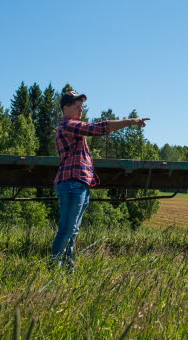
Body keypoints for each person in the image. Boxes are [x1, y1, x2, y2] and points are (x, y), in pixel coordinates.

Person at [50, 91, 149, 271]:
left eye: (82, 106)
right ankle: (52, 269)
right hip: (72, 183)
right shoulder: (69, 125)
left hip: (77, 183)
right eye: (76, 106)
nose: (81, 109)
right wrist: (129, 121)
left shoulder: (71, 126)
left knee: (72, 232)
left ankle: (66, 269)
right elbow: (99, 128)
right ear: (65, 108)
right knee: (67, 230)